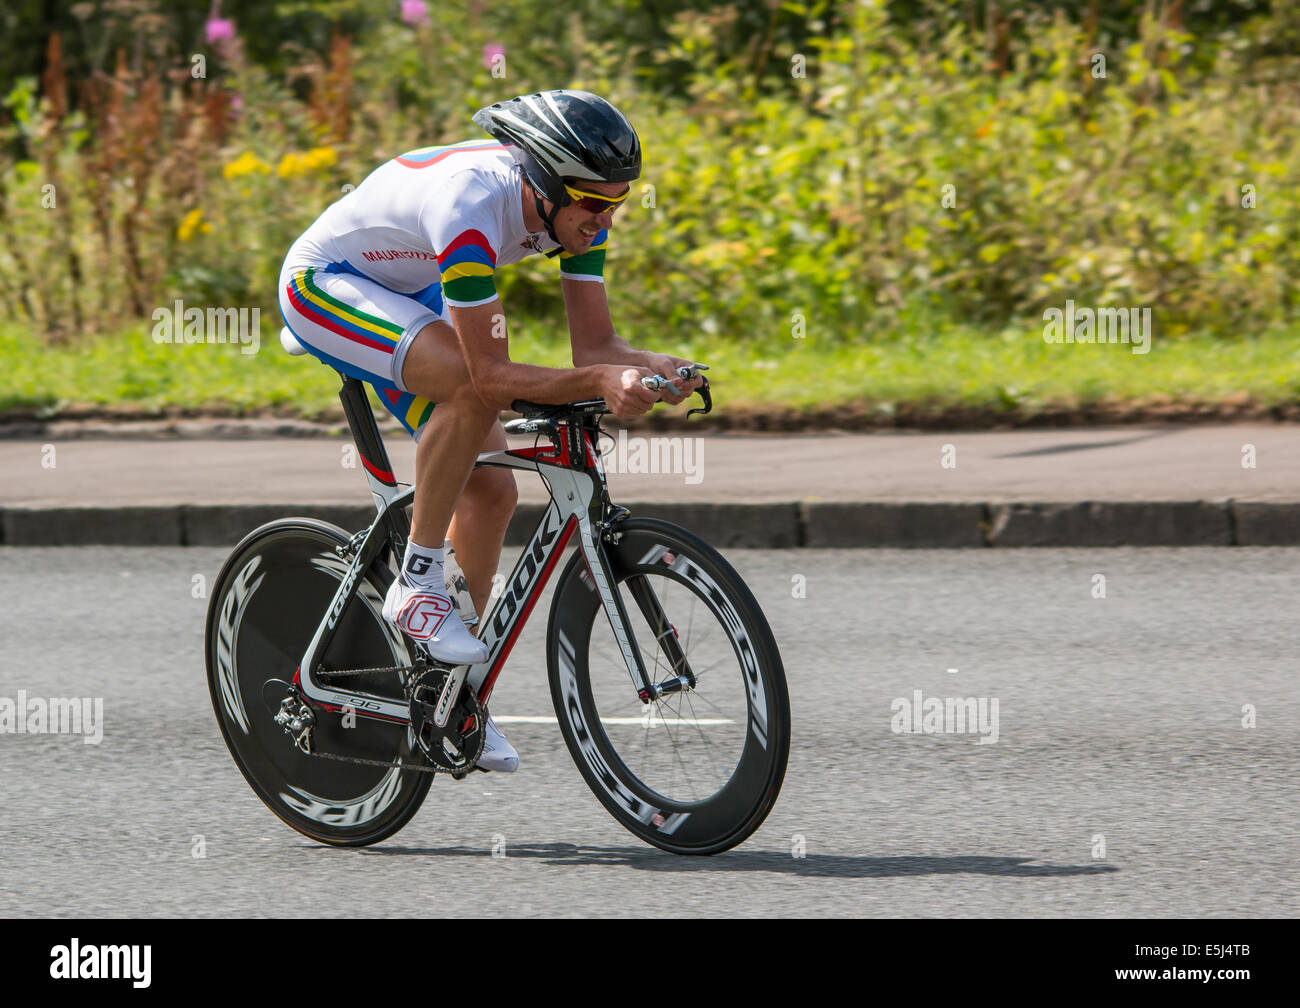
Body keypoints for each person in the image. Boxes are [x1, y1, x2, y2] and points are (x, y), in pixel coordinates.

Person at [277, 90, 702, 772]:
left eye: (618, 204)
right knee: (473, 391)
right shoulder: (470, 205)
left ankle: (453, 696)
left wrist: (653, 366)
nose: (604, 221)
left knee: (490, 495)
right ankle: (417, 584)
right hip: (326, 285)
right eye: (593, 205)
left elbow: (593, 345)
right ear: (542, 185)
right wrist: (597, 386)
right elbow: (493, 376)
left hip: (404, 289)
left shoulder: (576, 213)